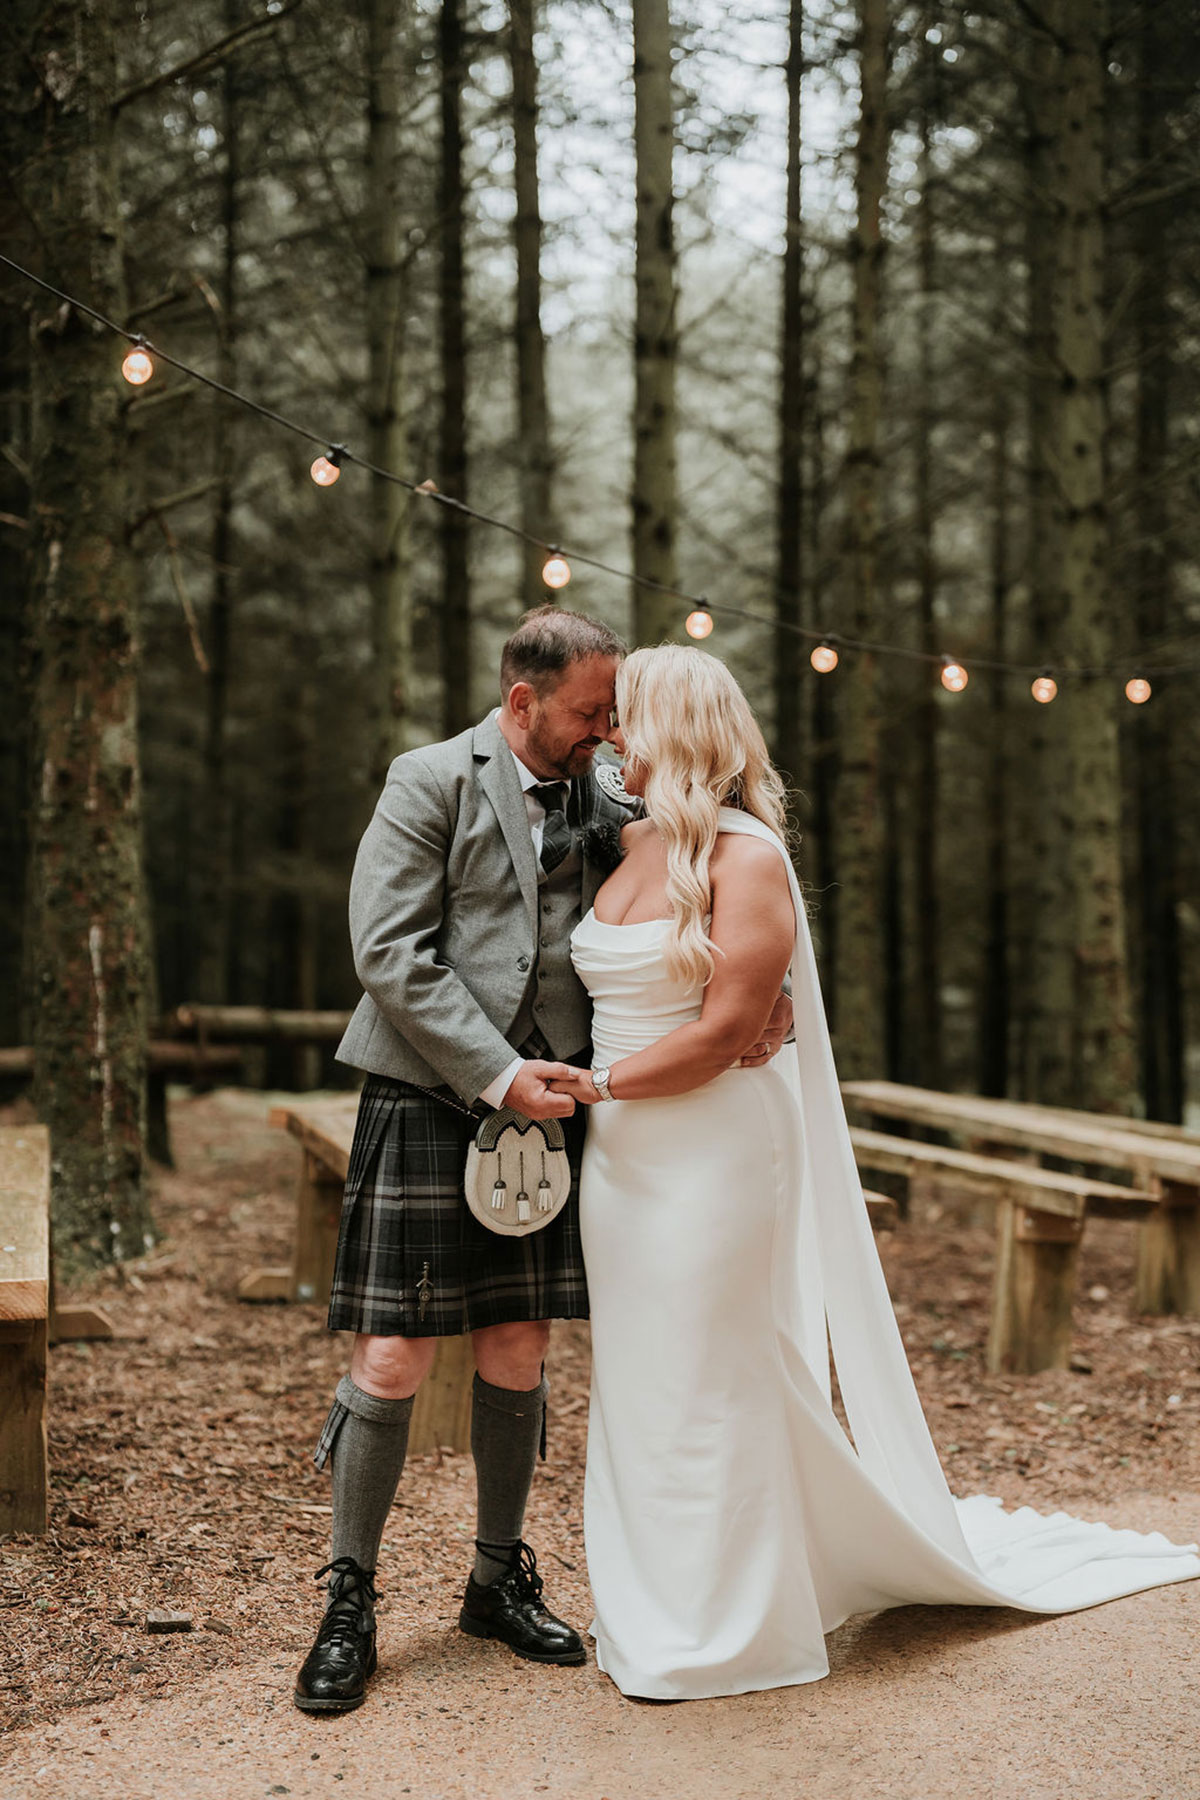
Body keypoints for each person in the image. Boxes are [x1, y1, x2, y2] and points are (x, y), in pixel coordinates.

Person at [550, 644, 1200, 1702]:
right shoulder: (629, 843)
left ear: (672, 728)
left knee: (714, 1377)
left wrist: (591, 1087)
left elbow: (722, 1036)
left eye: (626, 718)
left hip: (709, 1150)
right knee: (645, 1382)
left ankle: (732, 1630)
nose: (612, 735)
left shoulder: (747, 857)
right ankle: (651, 1608)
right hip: (625, 1167)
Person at [294, 608, 793, 1714]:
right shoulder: (427, 779)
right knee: (392, 1360)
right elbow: (387, 952)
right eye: (587, 712)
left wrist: (774, 984)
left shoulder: (608, 796)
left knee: (516, 1345)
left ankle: (494, 1580)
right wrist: (493, 1071)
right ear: (522, 702)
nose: (607, 732)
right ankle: (350, 1598)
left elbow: (716, 869)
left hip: (557, 1107)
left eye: (617, 713)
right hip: (432, 1095)